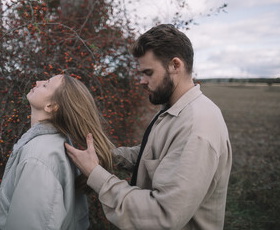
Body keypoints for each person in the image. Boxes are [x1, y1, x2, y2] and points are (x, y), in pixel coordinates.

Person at [66, 24, 232, 230]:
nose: (141, 81)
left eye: (148, 72)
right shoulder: (173, 110)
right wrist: (109, 155)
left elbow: (162, 216)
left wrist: (95, 174)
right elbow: (154, 155)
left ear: (175, 65)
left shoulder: (196, 127)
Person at [0, 74, 114, 230]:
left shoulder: (38, 157)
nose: (37, 82)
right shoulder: (58, 143)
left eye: (45, 85)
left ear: (51, 106)